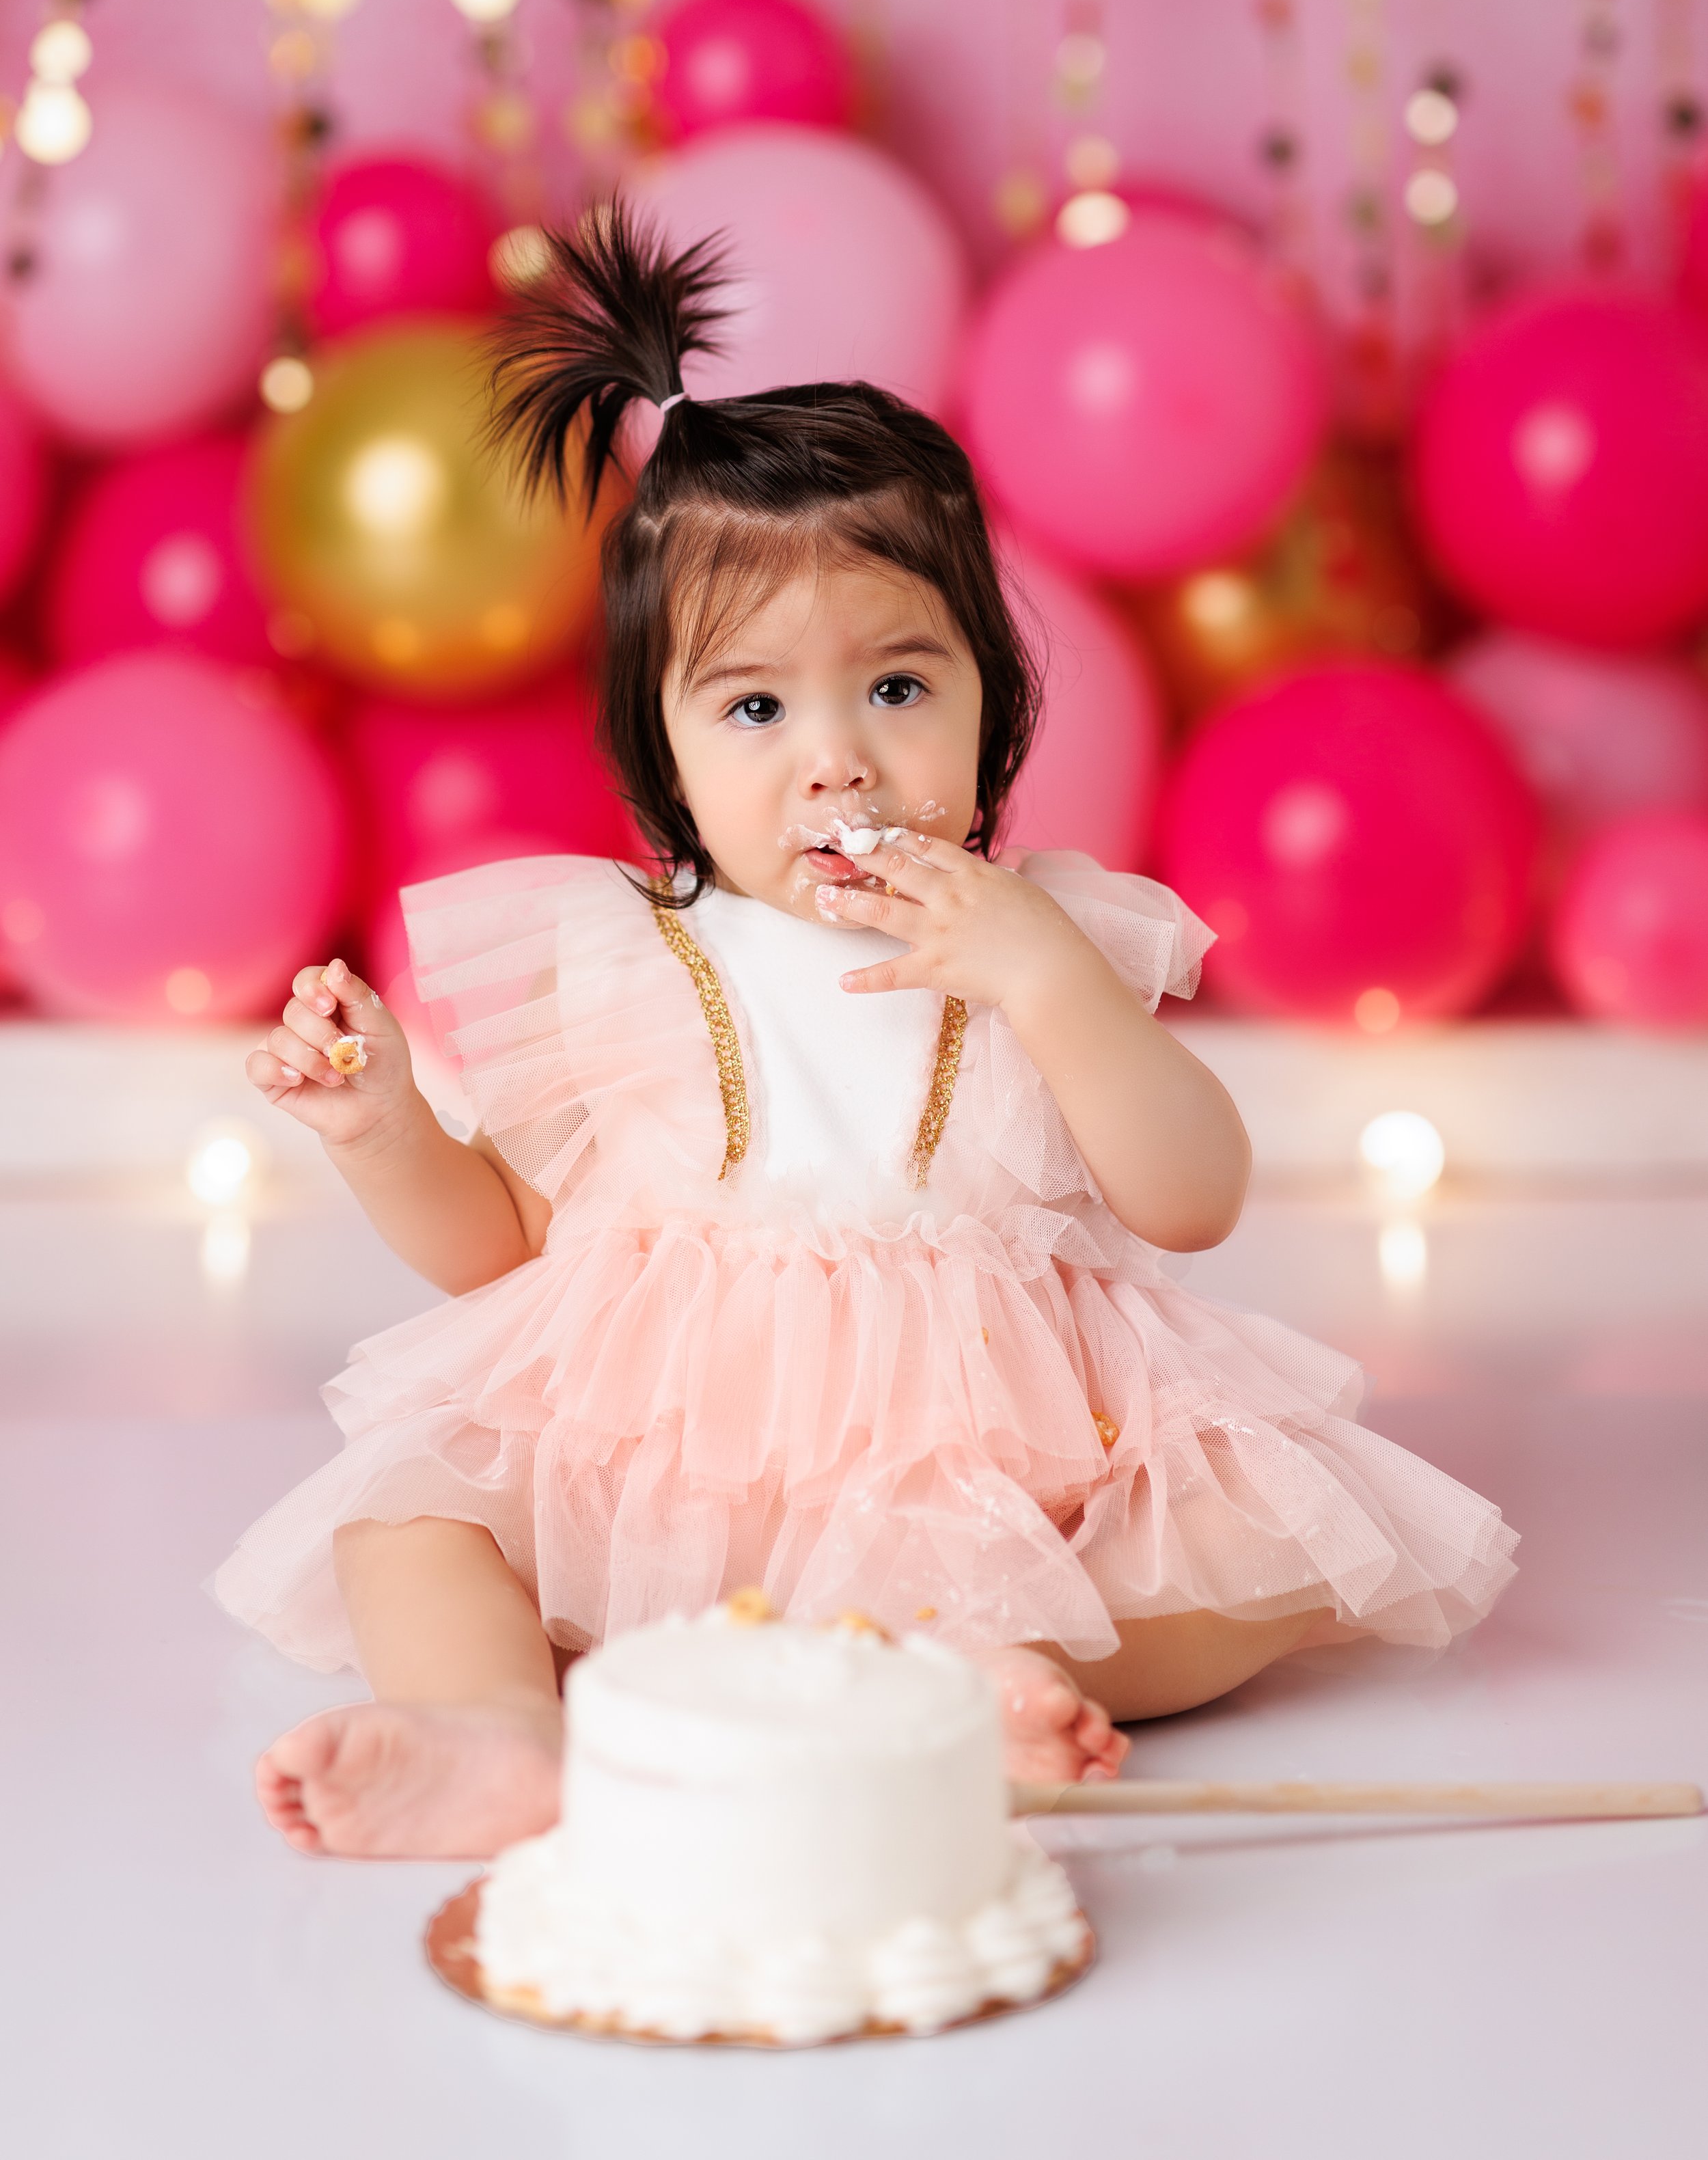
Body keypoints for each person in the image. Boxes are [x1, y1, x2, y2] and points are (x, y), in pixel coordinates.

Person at [216, 203, 1517, 1861]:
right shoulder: (631, 958)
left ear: (994, 702)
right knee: (406, 1517)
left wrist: (1041, 974)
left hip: (981, 1455)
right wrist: (387, 1129)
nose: (834, 759)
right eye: (754, 707)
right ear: (664, 752)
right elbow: (509, 1246)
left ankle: (981, 1679)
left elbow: (1191, 1195)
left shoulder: (1042, 933)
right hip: (669, 1449)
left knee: (1234, 1573)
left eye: (898, 688)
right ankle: (496, 1742)